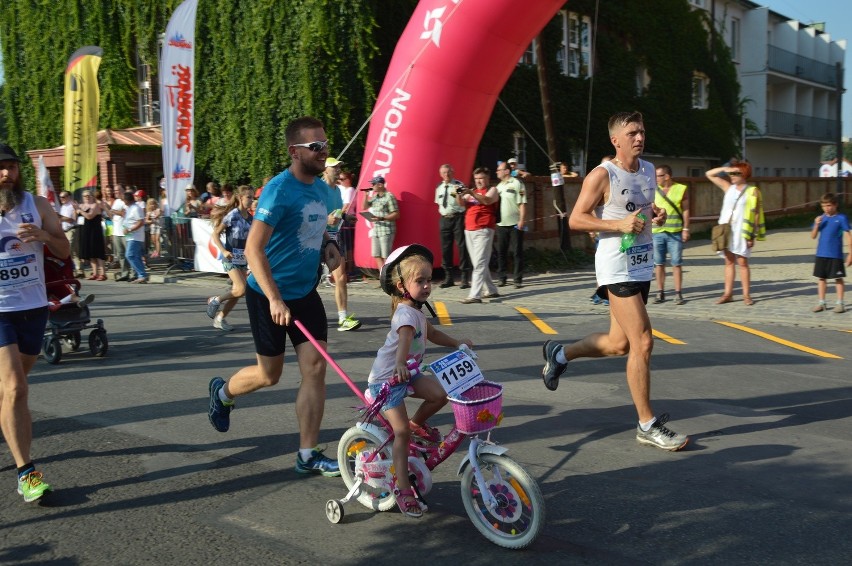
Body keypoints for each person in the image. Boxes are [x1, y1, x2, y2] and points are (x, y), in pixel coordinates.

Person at [540, 111, 689, 452]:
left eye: (642, 131)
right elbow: (576, 219)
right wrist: (619, 226)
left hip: (641, 264)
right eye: (633, 132)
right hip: (615, 267)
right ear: (615, 140)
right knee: (644, 342)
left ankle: (560, 354)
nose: (640, 137)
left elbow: (640, 208)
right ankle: (647, 424)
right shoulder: (601, 174)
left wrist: (655, 214)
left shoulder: (649, 170)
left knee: (618, 344)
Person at [207, 116, 344, 477]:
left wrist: (329, 246)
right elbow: (253, 250)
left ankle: (307, 453)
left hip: (304, 293)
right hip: (267, 293)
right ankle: (223, 394)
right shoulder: (278, 190)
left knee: (315, 369)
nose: (323, 151)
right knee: (270, 375)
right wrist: (274, 299)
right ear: (294, 151)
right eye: (316, 146)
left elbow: (317, 227)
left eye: (325, 144)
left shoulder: (320, 188)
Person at [370, 244, 472, 517]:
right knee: (400, 433)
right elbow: (405, 339)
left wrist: (456, 343)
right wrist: (401, 364)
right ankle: (403, 488)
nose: (427, 286)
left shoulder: (417, 311)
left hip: (407, 373)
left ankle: (416, 424)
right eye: (420, 281)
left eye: (430, 280)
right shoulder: (405, 314)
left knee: (439, 394)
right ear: (402, 285)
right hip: (387, 381)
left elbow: (433, 334)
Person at [0, 143, 71, 502]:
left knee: (15, 387)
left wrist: (44, 236)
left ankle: (6, 422)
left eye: (11, 167)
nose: (6, 174)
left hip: (34, 307)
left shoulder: (37, 205)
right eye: (0, 168)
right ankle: (26, 474)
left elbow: (64, 250)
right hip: (0, 311)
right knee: (15, 389)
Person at [705, 162, 765, 305]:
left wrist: (752, 235)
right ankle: (728, 294)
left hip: (742, 230)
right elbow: (709, 174)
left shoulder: (753, 191)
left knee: (743, 262)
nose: (732, 176)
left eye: (735, 173)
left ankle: (746, 295)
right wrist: (726, 169)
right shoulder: (728, 188)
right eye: (731, 173)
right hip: (726, 230)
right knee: (729, 261)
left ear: (744, 174)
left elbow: (756, 214)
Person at [206, 186, 254, 330]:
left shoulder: (251, 218)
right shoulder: (233, 215)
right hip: (230, 258)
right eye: (249, 197)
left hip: (242, 260)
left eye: (253, 197)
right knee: (241, 289)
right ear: (240, 198)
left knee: (238, 292)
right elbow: (215, 234)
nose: (251, 200)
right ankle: (216, 299)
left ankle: (220, 319)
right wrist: (224, 251)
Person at [323, 157, 361, 331]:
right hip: (316, 238)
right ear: (325, 170)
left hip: (334, 237)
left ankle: (343, 318)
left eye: (339, 167)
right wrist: (325, 219)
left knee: (341, 277)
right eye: (334, 167)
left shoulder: (338, 190)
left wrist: (346, 217)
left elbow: (337, 211)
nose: (338, 170)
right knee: (308, 277)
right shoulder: (317, 189)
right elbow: (306, 212)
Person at [457, 167, 500, 304]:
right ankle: (492, 290)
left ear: (487, 178)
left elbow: (487, 201)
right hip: (469, 229)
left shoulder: (492, 190)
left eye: (481, 178)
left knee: (480, 263)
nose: (478, 181)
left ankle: (475, 295)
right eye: (476, 179)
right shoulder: (472, 191)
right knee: (478, 262)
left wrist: (471, 193)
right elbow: (461, 204)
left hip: (484, 229)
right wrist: (459, 194)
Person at [652, 165, 690, 305]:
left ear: (667, 176)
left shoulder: (681, 189)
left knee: (676, 263)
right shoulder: (653, 190)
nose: (655, 179)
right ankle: (660, 292)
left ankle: (678, 293)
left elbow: (686, 210)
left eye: (658, 176)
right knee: (658, 263)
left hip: (675, 232)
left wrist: (686, 229)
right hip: (657, 232)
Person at [810, 192, 851, 313]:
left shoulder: (841, 218)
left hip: (835, 255)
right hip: (821, 254)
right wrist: (816, 225)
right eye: (824, 206)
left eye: (828, 205)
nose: (826, 208)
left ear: (835, 205)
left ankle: (840, 303)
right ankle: (821, 302)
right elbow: (813, 236)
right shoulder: (821, 218)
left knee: (838, 278)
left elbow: (848, 235)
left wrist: (850, 253)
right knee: (821, 278)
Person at [434, 164, 471, 289]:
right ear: (441, 174)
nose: (446, 175)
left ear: (453, 172)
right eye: (444, 172)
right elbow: (439, 204)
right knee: (445, 248)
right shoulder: (439, 187)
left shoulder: (459, 184)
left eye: (449, 172)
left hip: (457, 218)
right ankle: (448, 278)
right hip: (444, 219)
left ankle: (465, 278)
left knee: (461, 246)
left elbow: (462, 204)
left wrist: (457, 194)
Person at [495, 160, 527, 288]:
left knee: (517, 252)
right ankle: (502, 278)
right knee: (502, 252)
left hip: (515, 224)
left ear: (507, 171)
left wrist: (522, 220)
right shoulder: (498, 187)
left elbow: (522, 203)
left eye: (499, 169)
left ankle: (517, 279)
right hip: (501, 224)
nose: (497, 172)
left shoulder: (517, 183)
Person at [361, 175, 399, 271]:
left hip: (386, 230)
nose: (372, 186)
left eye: (373, 184)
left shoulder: (389, 196)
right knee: (376, 255)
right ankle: (383, 277)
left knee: (386, 256)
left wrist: (381, 218)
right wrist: (365, 195)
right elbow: (364, 207)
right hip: (376, 230)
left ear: (380, 185)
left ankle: (389, 278)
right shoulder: (375, 197)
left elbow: (396, 214)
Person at [78, 190, 107, 280]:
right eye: (85, 196)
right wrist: (76, 210)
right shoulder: (81, 206)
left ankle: (103, 273)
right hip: (85, 230)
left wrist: (80, 211)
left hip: (95, 231)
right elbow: (76, 217)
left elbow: (89, 216)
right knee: (91, 253)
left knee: (98, 252)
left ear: (92, 196)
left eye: (88, 195)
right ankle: (95, 273)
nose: (87, 197)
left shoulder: (95, 205)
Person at [123, 190, 148, 283]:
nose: (123, 201)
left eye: (123, 200)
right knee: (136, 256)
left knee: (129, 255)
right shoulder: (129, 208)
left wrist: (129, 229)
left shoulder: (136, 208)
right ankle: (142, 275)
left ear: (127, 200)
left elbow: (141, 222)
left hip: (136, 237)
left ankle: (141, 274)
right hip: (130, 236)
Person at [57, 190, 82, 277]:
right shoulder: (63, 206)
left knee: (68, 250)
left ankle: (70, 269)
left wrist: (60, 217)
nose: (61, 199)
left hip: (72, 229)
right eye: (60, 197)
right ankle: (79, 270)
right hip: (65, 230)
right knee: (74, 251)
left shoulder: (72, 205)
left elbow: (73, 219)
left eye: (63, 197)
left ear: (68, 197)